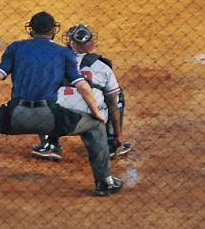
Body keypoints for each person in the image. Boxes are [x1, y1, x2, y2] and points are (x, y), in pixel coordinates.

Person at [0, 11, 123, 197]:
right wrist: (96, 112)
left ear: (31, 30)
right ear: (53, 31)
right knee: (95, 127)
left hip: (15, 116)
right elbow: (83, 87)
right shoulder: (63, 53)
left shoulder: (16, 48)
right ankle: (105, 182)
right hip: (51, 119)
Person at [30, 22, 132, 162]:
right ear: (90, 43)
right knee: (116, 96)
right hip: (92, 119)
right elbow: (112, 104)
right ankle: (109, 143)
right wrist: (117, 135)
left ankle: (50, 143)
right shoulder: (103, 67)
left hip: (60, 120)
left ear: (70, 43)